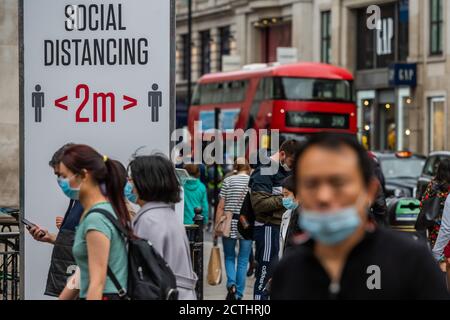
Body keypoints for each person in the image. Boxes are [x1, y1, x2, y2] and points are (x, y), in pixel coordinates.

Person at [271, 134, 449, 300]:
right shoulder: (289, 270)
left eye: (338, 182)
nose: (323, 196)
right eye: (311, 183)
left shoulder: (411, 262)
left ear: (369, 191)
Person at [58, 144, 131, 300]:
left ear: (84, 175)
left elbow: (97, 282)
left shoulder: (96, 219)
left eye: (64, 176)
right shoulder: (103, 212)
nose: (61, 182)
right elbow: (84, 272)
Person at [128, 154, 198, 300]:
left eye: (132, 180)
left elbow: (148, 277)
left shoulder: (149, 220)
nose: (130, 185)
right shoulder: (166, 214)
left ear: (144, 182)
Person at [27, 143, 84, 297]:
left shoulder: (96, 209)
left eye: (63, 175)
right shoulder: (77, 201)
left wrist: (65, 296)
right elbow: (79, 245)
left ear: (81, 172)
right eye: (58, 176)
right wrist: (51, 237)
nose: (60, 181)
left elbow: (90, 266)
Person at [249, 139, 302, 300]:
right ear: (282, 154)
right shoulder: (265, 171)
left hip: (284, 227)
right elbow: (259, 204)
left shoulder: (288, 172)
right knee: (266, 272)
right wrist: (286, 198)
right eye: (292, 162)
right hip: (268, 227)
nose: (293, 167)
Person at [215, 158, 252, 300]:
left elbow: (220, 206)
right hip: (246, 223)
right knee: (243, 260)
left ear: (235, 167)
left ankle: (231, 284)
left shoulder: (228, 181)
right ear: (247, 167)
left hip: (229, 223)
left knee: (230, 256)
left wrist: (217, 226)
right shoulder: (251, 181)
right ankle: (239, 295)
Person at [418, 159, 450, 248]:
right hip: (448, 224)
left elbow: (422, 204)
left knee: (436, 249)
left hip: (434, 224)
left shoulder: (433, 184)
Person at [279, 176, 299, 259]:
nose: (284, 199)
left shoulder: (307, 217)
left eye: (286, 194)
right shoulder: (286, 214)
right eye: (283, 195)